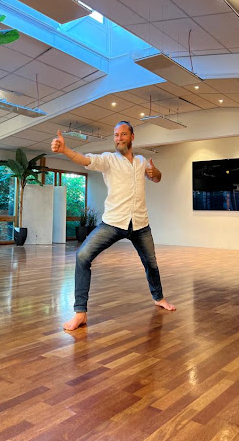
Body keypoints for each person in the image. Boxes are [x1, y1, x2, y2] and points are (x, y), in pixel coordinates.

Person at [51, 120, 176, 331]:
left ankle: (159, 298)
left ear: (132, 137)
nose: (119, 138)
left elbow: (156, 178)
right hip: (113, 223)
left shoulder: (141, 161)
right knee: (82, 256)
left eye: (123, 134)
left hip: (140, 224)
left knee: (151, 263)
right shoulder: (108, 160)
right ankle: (80, 313)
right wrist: (65, 150)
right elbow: (85, 159)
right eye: (116, 135)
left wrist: (155, 172)